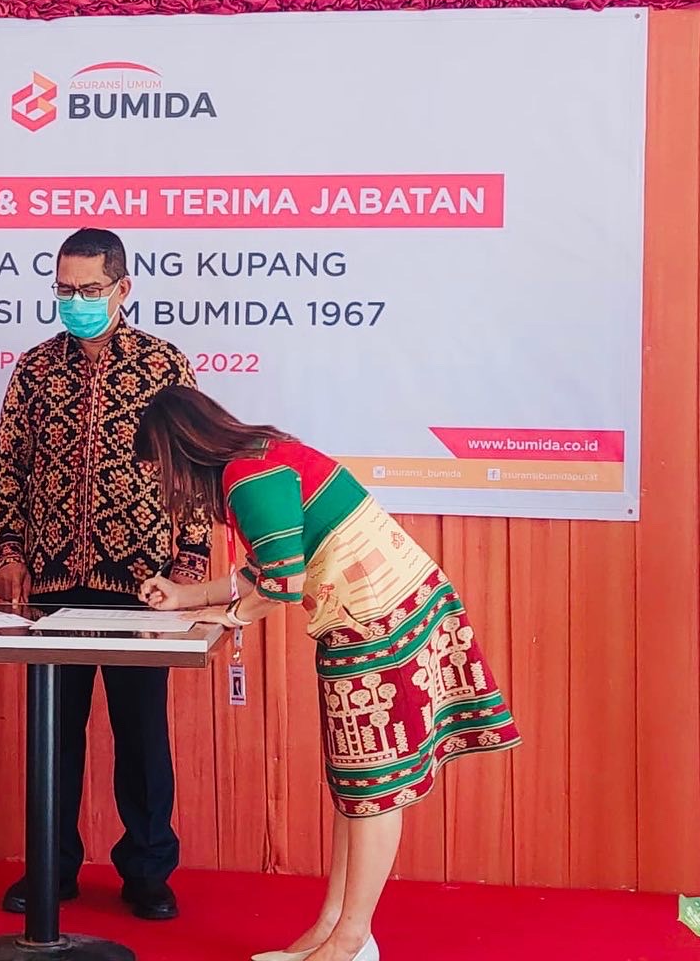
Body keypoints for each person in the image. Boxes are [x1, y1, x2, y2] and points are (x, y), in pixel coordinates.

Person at [135, 387, 521, 961]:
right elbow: (269, 567)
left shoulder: (247, 477)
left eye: (160, 470)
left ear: (179, 452)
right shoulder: (262, 458)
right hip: (378, 618)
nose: (168, 487)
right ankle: (333, 931)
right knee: (357, 789)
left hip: (378, 626)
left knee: (377, 788)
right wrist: (186, 596)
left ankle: (350, 939)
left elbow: (281, 585)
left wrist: (229, 615)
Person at [0, 228, 211, 920]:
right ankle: (51, 869)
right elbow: (9, 468)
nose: (76, 301)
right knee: (54, 732)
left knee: (141, 733)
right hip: (53, 583)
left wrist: (190, 569)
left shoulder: (164, 365)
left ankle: (147, 869)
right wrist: (8, 551)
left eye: (89, 289)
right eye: (64, 290)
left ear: (123, 288)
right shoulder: (34, 369)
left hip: (146, 586)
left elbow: (194, 468)